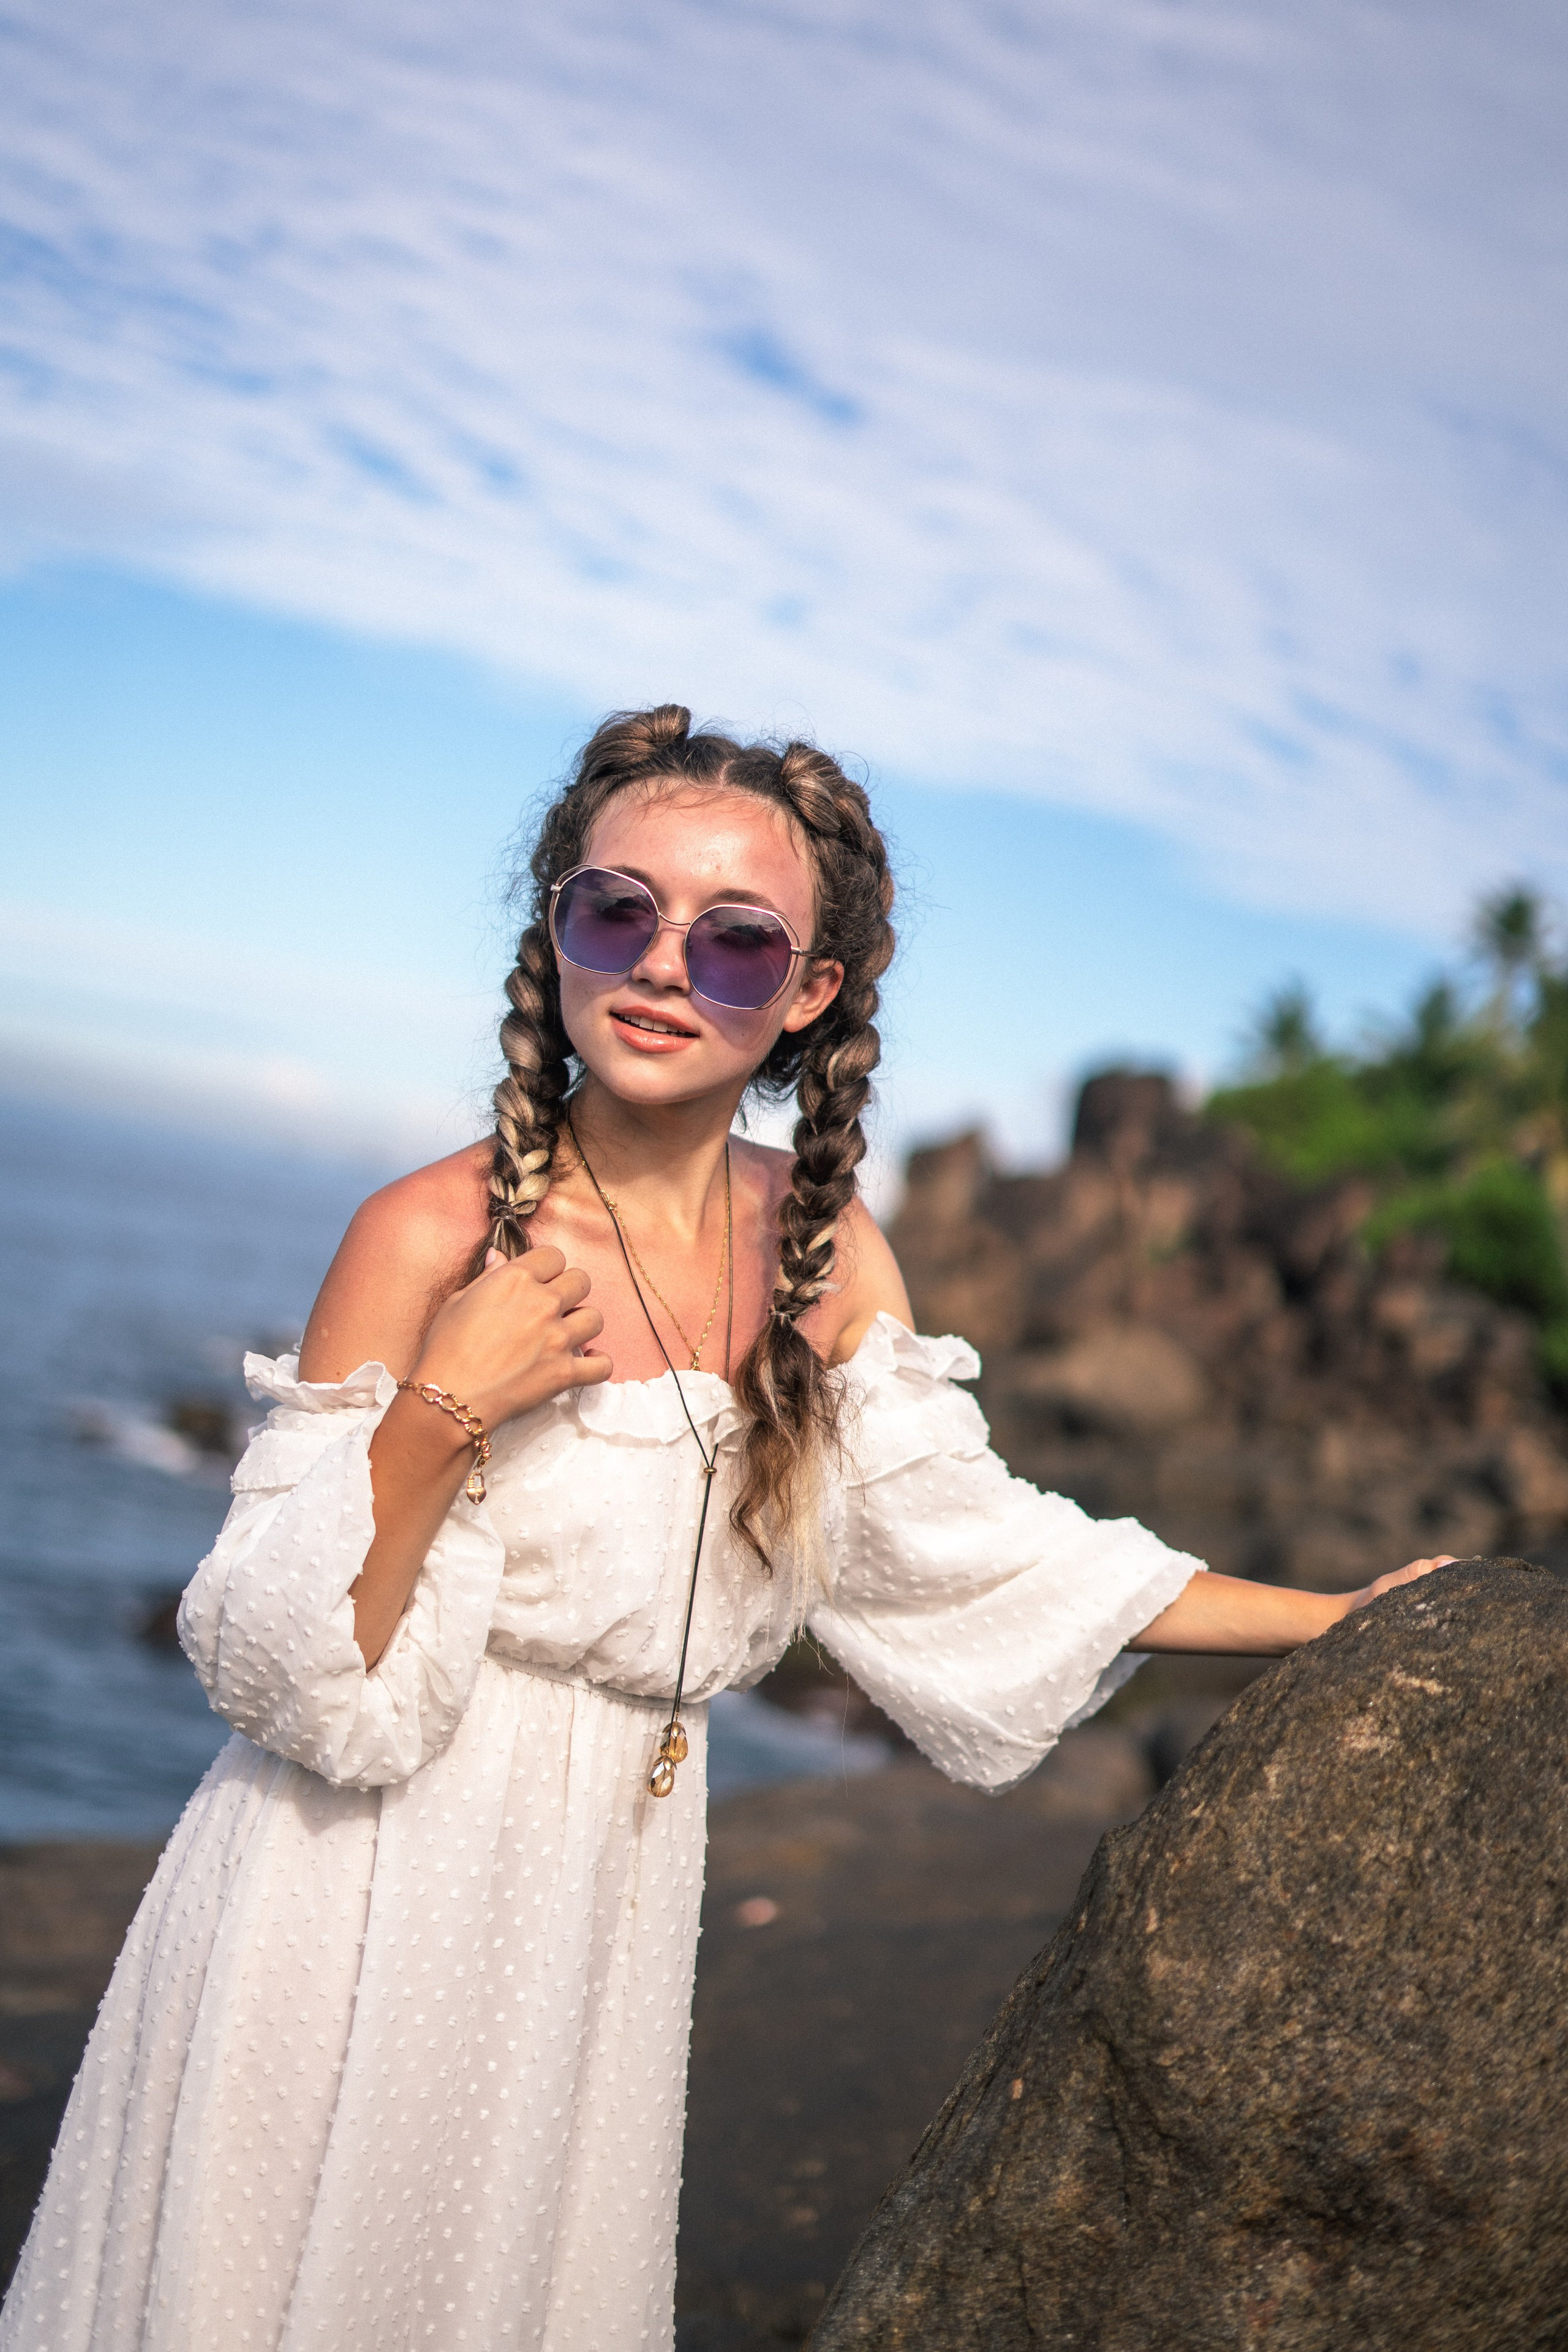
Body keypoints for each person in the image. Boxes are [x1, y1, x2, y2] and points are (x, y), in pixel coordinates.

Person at [0, 706, 1450, 2352]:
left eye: (738, 938)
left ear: (810, 993)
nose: (665, 965)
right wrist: (447, 1406)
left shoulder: (829, 1257)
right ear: (554, 932)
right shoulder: (423, 1232)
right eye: (616, 910)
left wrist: (1342, 1617)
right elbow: (278, 1660)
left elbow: (990, 1552)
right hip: (347, 1887)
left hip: (597, 1910)